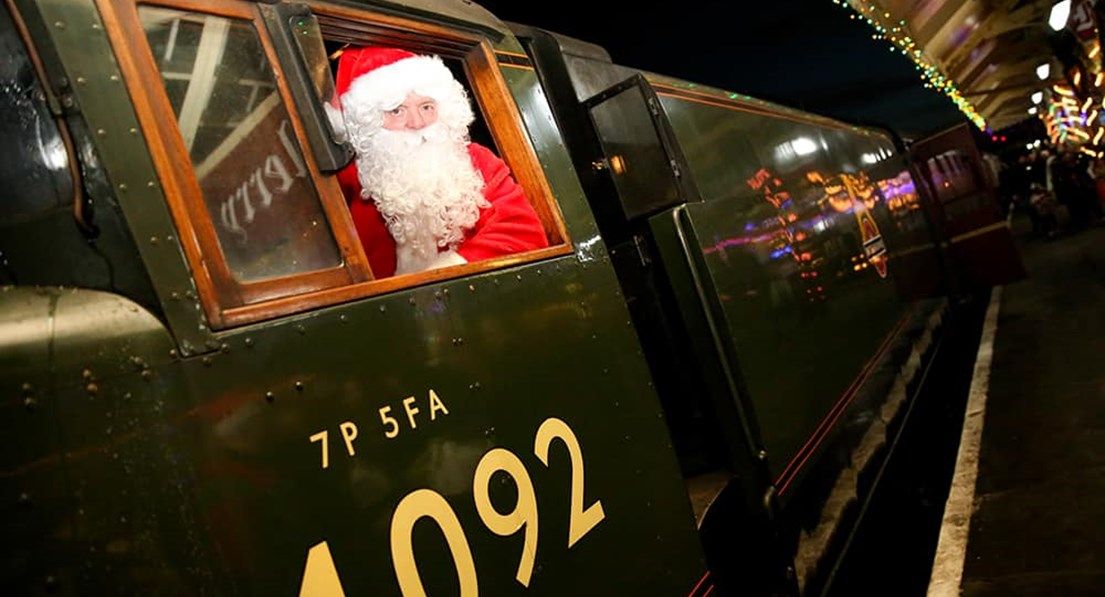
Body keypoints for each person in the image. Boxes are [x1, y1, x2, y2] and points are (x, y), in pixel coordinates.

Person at [334, 46, 548, 277]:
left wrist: (446, 273)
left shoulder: (475, 160)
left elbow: (523, 233)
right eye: (396, 111)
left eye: (427, 107)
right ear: (368, 121)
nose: (417, 123)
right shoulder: (341, 180)